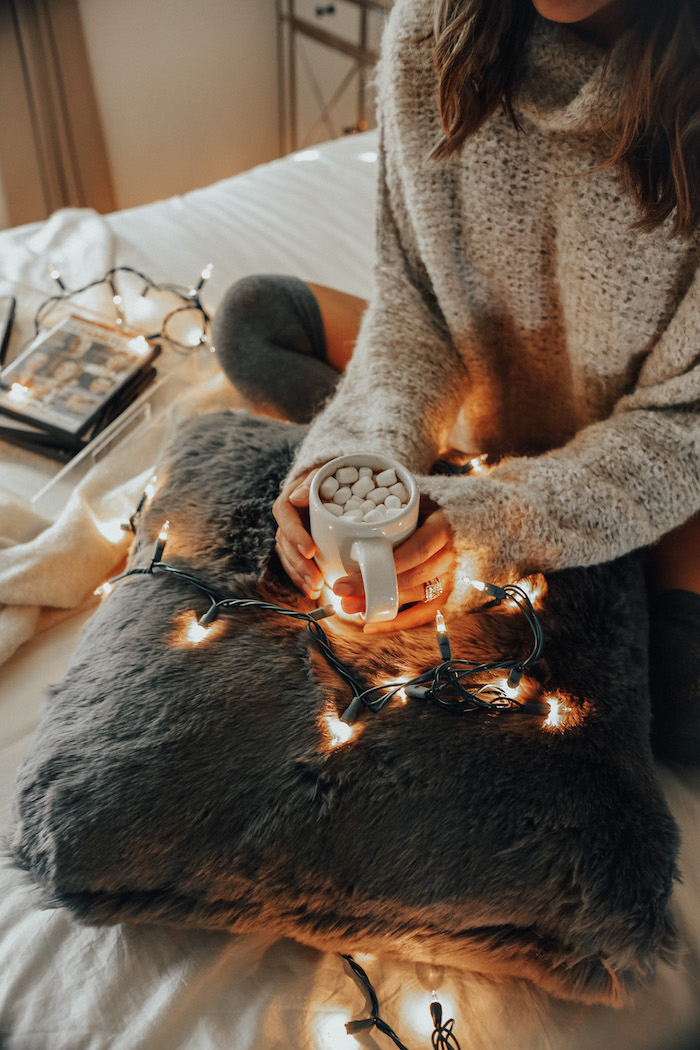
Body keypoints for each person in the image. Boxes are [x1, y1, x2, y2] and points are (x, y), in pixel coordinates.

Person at [213, 0, 700, 763]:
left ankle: (592, 542)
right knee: (253, 319)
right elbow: (418, 305)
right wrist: (358, 464)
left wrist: (494, 523)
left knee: (684, 714)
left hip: (666, 443)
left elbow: (686, 423)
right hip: (490, 398)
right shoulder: (432, 32)